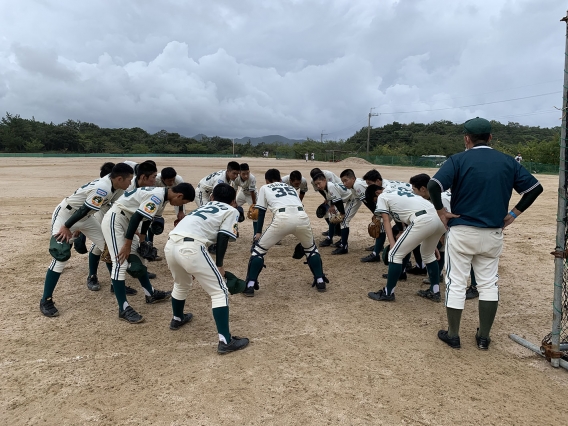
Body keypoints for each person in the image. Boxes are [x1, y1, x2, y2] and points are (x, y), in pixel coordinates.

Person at [429, 117, 543, 349]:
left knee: (456, 283)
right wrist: (514, 213)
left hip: (462, 230)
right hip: (492, 232)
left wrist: (441, 211)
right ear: (490, 137)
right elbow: (535, 188)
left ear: (467, 138)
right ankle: (484, 337)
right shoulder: (507, 161)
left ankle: (453, 335)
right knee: (488, 284)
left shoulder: (458, 160)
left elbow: (433, 186)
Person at [39, 163, 134, 317]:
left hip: (86, 218)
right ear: (119, 178)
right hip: (67, 216)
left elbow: (92, 211)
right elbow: (83, 208)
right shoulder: (103, 187)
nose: (130, 183)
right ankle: (46, 300)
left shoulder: (115, 187)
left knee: (108, 248)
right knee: (60, 256)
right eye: (129, 180)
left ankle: (114, 283)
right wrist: (66, 227)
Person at [164, 183, 249, 354]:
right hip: (191, 247)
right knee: (219, 292)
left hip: (170, 244)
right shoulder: (231, 210)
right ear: (233, 201)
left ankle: (177, 318)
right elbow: (224, 237)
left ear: (212, 197)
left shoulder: (205, 205)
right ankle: (225, 341)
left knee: (181, 284)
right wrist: (219, 265)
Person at [101, 183, 196, 323]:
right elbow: (137, 218)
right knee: (120, 262)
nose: (179, 205)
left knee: (140, 258)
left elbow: (147, 218)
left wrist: (143, 237)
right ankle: (123, 308)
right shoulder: (157, 197)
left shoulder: (163, 196)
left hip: (128, 221)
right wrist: (127, 244)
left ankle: (150, 293)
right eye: (183, 202)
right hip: (116, 220)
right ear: (179, 195)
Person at [243, 168, 329, 296]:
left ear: (267, 180)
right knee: (311, 250)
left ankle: (250, 285)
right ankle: (320, 281)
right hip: (302, 218)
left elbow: (261, 212)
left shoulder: (265, 188)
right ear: (280, 179)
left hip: (282, 219)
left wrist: (258, 233)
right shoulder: (292, 189)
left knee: (258, 251)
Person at [366, 183, 447, 303]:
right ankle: (434, 292)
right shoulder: (397, 191)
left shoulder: (383, 196)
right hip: (439, 218)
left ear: (378, 193)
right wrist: (431, 242)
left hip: (423, 219)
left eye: (375, 199)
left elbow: (386, 220)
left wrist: (392, 242)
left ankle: (388, 293)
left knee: (394, 254)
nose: (377, 202)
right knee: (428, 254)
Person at [409, 173, 480, 300]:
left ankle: (475, 287)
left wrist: (442, 234)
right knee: (440, 249)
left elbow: (448, 215)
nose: (414, 192)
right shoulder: (432, 197)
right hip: (456, 226)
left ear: (423, 189)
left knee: (469, 255)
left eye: (414, 189)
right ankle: (438, 276)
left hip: (466, 226)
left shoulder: (440, 197)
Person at [360, 169, 412, 264]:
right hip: (409, 205)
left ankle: (406, 262)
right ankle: (377, 253)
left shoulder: (386, 191)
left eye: (369, 183)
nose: (368, 186)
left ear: (378, 181)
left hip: (416, 205)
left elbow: (395, 212)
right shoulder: (383, 189)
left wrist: (401, 229)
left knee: (407, 233)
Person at [312, 173, 354, 254]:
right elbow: (333, 198)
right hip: (346, 199)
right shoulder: (326, 187)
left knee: (344, 221)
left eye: (319, 183)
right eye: (316, 184)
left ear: (324, 180)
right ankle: (331, 239)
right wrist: (331, 205)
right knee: (333, 216)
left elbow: (338, 201)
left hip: (352, 198)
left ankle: (344, 246)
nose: (318, 186)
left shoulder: (330, 186)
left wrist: (342, 213)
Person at [233, 163, 259, 235]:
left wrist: (254, 204)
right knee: (233, 209)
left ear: (249, 171)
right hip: (242, 192)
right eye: (243, 174)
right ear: (239, 173)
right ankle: (234, 231)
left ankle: (255, 235)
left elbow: (252, 191)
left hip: (252, 195)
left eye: (247, 173)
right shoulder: (236, 178)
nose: (246, 176)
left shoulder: (252, 178)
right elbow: (234, 190)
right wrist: (234, 201)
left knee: (255, 214)